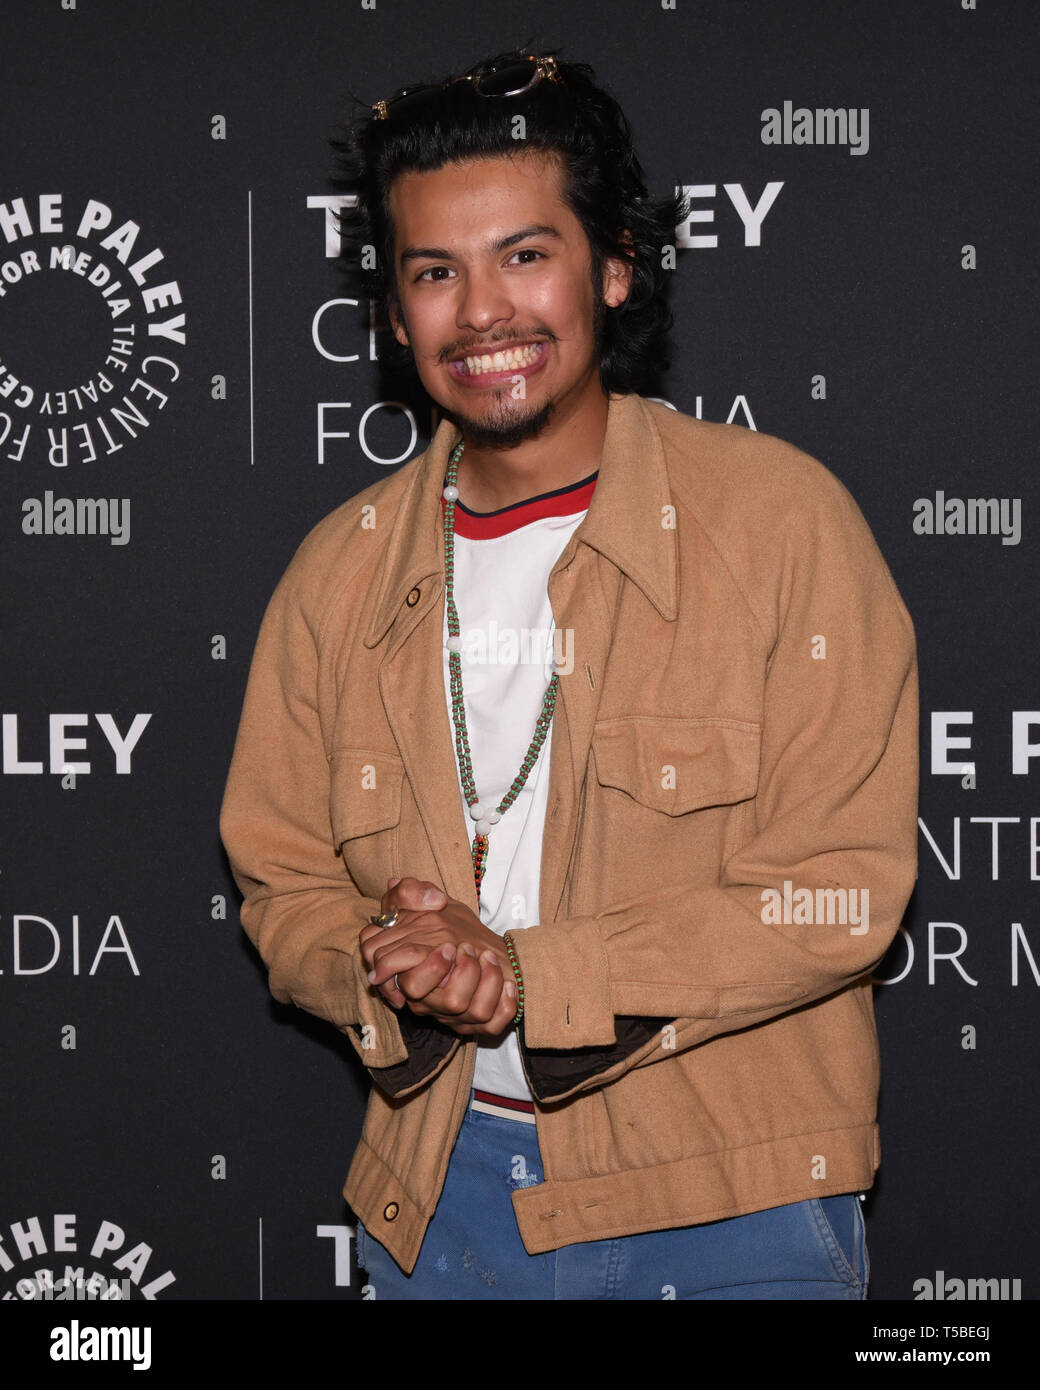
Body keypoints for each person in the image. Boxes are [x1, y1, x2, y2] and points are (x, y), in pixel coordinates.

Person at [220, 50, 919, 1300]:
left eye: (524, 255)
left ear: (613, 268)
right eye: (434, 271)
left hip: (733, 1204)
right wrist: (391, 962)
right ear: (393, 314)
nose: (481, 311)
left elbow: (840, 891)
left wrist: (534, 974)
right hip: (443, 1201)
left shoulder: (779, 523)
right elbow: (280, 879)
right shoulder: (339, 573)